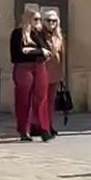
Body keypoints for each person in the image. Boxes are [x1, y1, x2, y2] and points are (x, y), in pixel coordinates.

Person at [8, 9, 51, 141]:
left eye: (39, 19)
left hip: (39, 67)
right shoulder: (17, 34)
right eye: (36, 19)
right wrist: (38, 51)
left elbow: (46, 51)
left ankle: (43, 128)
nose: (38, 22)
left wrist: (31, 50)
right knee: (23, 99)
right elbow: (17, 54)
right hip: (23, 68)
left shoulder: (37, 34)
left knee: (41, 97)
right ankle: (23, 130)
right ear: (28, 19)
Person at [39, 9, 66, 137]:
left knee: (51, 102)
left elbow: (61, 56)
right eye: (49, 20)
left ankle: (49, 125)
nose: (51, 23)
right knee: (42, 101)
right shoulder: (40, 35)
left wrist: (61, 75)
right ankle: (42, 126)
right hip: (43, 71)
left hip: (54, 72)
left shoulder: (58, 37)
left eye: (54, 21)